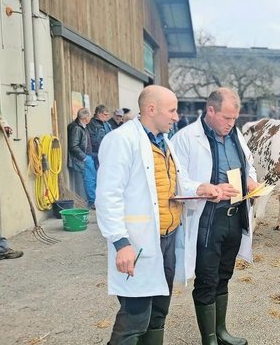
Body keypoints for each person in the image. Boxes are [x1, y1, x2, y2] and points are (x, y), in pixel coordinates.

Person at [96, 85, 199, 345]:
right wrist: (120, 242)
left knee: (159, 311)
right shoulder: (122, 140)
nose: (177, 116)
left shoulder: (164, 142)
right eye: (172, 110)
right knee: (135, 316)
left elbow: (176, 183)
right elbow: (108, 195)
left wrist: (202, 188)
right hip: (138, 243)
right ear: (151, 109)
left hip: (167, 239)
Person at [171, 87, 258, 345]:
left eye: (235, 119)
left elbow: (248, 162)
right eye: (227, 118)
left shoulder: (235, 135)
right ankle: (208, 338)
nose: (231, 124)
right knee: (207, 278)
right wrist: (203, 188)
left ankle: (221, 332)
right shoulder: (186, 138)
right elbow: (176, 178)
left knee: (224, 274)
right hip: (208, 217)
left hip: (233, 215)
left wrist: (251, 180)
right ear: (211, 111)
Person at [67, 108, 95, 204]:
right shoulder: (76, 128)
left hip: (87, 157)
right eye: (89, 116)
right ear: (85, 118)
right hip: (83, 158)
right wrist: (84, 158)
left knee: (92, 179)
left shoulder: (82, 126)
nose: (90, 118)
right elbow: (73, 146)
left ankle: (92, 201)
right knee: (89, 180)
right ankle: (92, 202)